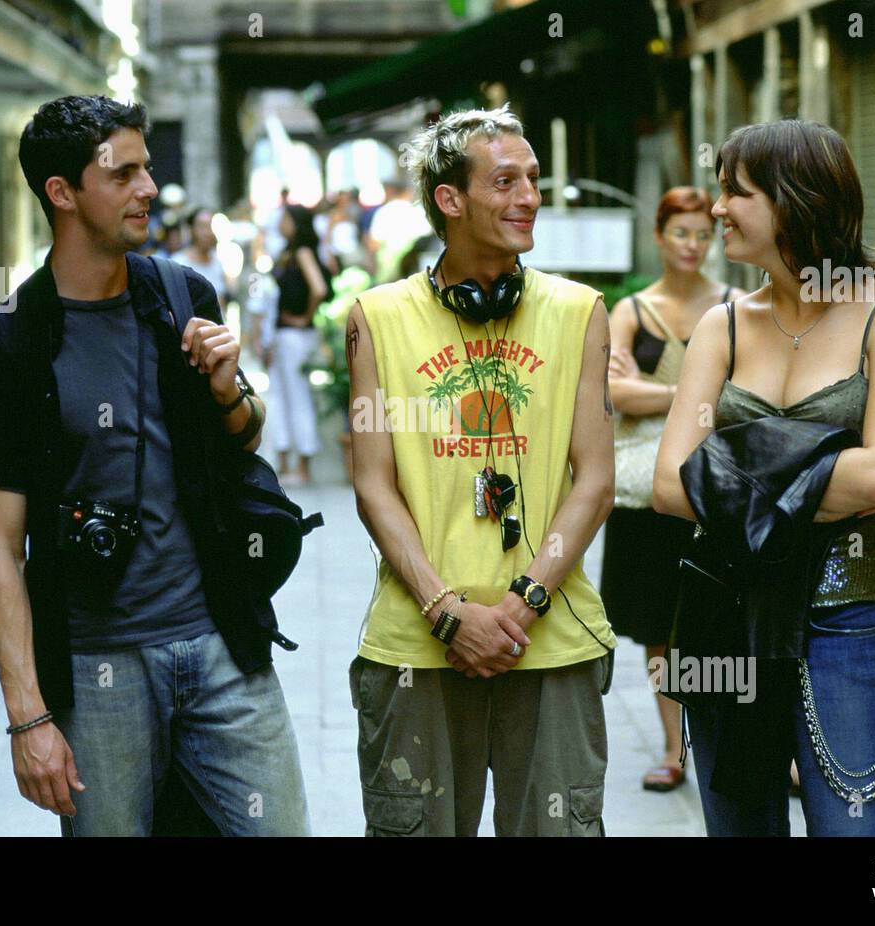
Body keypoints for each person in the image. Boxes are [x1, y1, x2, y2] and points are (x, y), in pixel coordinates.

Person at [0, 95, 309, 836]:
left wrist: (228, 393)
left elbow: (242, 440)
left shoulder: (183, 295)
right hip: (96, 668)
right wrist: (28, 717)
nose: (149, 188)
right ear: (63, 192)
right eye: (124, 174)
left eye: (147, 168)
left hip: (222, 647)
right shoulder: (7, 349)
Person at [346, 104, 616, 836]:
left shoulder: (580, 311)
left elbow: (594, 480)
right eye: (505, 181)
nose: (528, 196)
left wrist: (522, 604)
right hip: (417, 650)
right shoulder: (376, 317)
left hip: (551, 640)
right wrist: (446, 611)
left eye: (533, 179)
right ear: (450, 199)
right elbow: (374, 484)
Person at [653, 119, 875, 836]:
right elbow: (668, 486)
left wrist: (735, 463)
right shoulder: (723, 325)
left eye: (733, 193)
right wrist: (817, 465)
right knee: (739, 826)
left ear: (793, 201)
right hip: (724, 611)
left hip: (846, 612)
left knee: (852, 828)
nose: (715, 212)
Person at [603, 187, 743, 792]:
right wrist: (699, 391)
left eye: (702, 234)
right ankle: (672, 747)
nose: (693, 244)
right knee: (658, 621)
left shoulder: (739, 304)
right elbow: (611, 396)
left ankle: (743, 741)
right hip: (644, 491)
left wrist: (657, 391)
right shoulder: (632, 310)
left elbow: (749, 399)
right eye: (681, 233)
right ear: (659, 237)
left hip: (718, 487)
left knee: (729, 614)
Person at [266, 204, 329, 486]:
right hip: (283, 334)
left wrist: (305, 318)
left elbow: (319, 288)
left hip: (295, 335)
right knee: (281, 396)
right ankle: (285, 461)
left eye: (285, 218)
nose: (280, 223)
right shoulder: (286, 253)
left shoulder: (302, 252)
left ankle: (303, 466)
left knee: (298, 397)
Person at [172, 206, 228, 313]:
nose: (207, 233)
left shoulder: (218, 261)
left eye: (210, 226)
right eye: (202, 227)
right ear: (192, 229)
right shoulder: (178, 263)